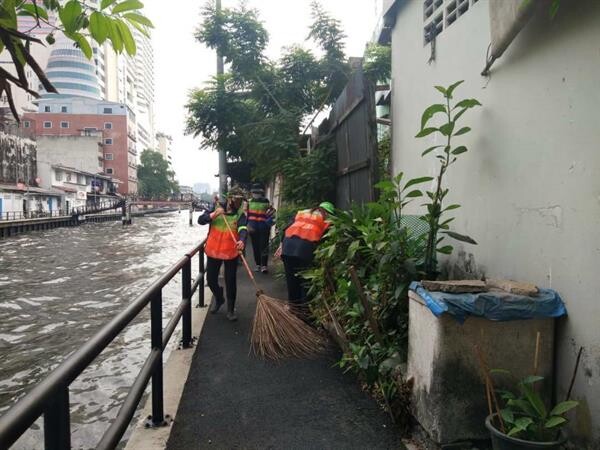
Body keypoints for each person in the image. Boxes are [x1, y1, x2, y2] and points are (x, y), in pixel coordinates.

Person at [198, 187, 248, 321]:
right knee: (211, 280)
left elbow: (243, 228)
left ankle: (231, 310)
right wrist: (213, 214)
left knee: (231, 281)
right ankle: (219, 298)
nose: (238, 203)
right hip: (214, 251)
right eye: (236, 200)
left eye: (240, 201)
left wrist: (242, 240)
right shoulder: (216, 207)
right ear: (230, 199)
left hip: (231, 251)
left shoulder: (240, 214)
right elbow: (201, 220)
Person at [275, 202, 335, 308]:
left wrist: (281, 246)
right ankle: (304, 314)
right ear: (329, 212)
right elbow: (326, 241)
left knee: (292, 281)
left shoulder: (302, 213)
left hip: (288, 247)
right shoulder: (327, 219)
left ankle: (294, 310)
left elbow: (285, 229)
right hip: (305, 250)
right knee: (305, 283)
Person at [247, 183, 274, 273]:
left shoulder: (266, 201)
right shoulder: (248, 202)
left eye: (257, 192)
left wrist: (268, 222)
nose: (256, 193)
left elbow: (272, 212)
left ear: (261, 192)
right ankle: (258, 264)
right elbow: (246, 215)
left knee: (264, 246)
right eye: (255, 192)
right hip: (253, 228)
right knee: (255, 247)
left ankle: (264, 265)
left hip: (263, 228)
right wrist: (248, 225)